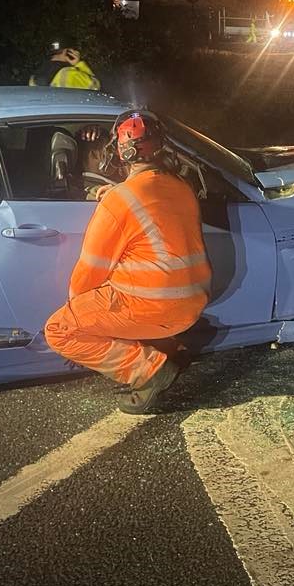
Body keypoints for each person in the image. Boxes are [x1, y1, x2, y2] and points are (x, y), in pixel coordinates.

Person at [44, 110, 211, 413]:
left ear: (123, 151)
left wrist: (83, 319)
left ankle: (149, 369)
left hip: (156, 307)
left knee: (59, 329)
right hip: (193, 303)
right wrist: (115, 195)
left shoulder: (120, 201)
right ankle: (168, 344)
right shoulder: (181, 187)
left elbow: (87, 275)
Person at [29, 40, 101, 90]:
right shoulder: (70, 74)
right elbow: (95, 86)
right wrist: (79, 64)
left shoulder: (36, 75)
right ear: (68, 52)